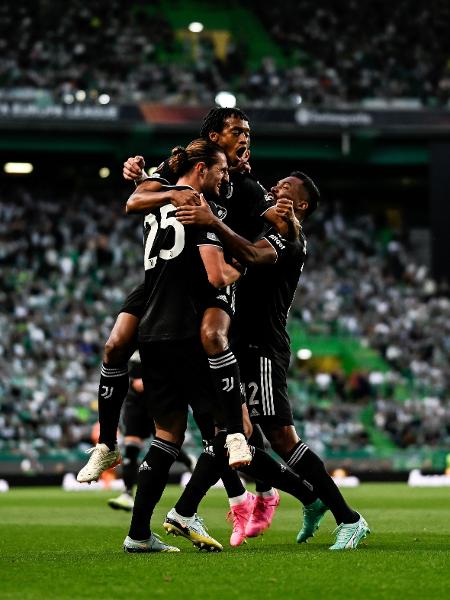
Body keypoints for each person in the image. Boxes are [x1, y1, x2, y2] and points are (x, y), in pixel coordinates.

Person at [169, 171, 370, 550]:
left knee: (280, 437)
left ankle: (349, 518)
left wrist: (212, 221)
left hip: (262, 348)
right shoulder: (264, 229)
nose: (276, 189)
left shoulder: (288, 238)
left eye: (286, 189)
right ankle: (308, 500)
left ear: (302, 205)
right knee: (232, 435)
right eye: (276, 185)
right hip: (237, 346)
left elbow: (251, 253)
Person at [123, 138, 243, 553]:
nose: (225, 176)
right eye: (221, 169)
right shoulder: (197, 205)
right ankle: (184, 510)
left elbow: (134, 201)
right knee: (229, 433)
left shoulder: (158, 199)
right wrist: (243, 265)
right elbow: (216, 277)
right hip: (185, 331)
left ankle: (138, 534)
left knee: (167, 437)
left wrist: (148, 180)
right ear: (201, 169)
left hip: (151, 332)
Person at [107, 351, 195, 512]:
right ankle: (127, 494)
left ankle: (187, 461)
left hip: (157, 404)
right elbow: (138, 384)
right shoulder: (136, 354)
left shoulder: (163, 348)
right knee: (131, 449)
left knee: (165, 445)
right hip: (136, 406)